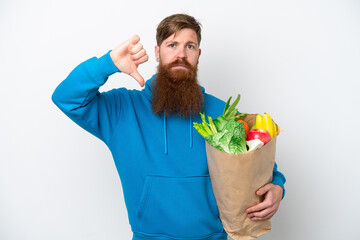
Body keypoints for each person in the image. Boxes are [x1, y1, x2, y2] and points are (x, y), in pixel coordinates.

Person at [52, 13, 286, 240]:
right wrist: (108, 64)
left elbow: (254, 162)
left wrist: (277, 185)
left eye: (190, 46)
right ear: (157, 52)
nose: (181, 54)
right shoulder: (123, 109)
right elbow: (67, 97)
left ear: (198, 54)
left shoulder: (221, 112)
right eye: (172, 45)